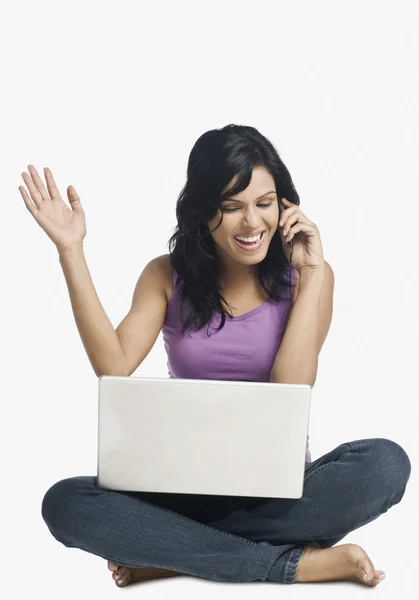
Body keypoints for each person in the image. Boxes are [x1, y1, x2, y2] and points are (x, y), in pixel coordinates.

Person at [19, 124, 411, 588]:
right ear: (205, 212)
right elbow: (114, 365)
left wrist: (308, 275)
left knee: (387, 464)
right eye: (231, 207)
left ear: (285, 206)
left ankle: (173, 554)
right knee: (64, 503)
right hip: (177, 493)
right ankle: (294, 564)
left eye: (264, 204)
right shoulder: (166, 275)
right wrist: (71, 250)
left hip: (279, 496)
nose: (252, 223)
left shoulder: (310, 274)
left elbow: (291, 388)